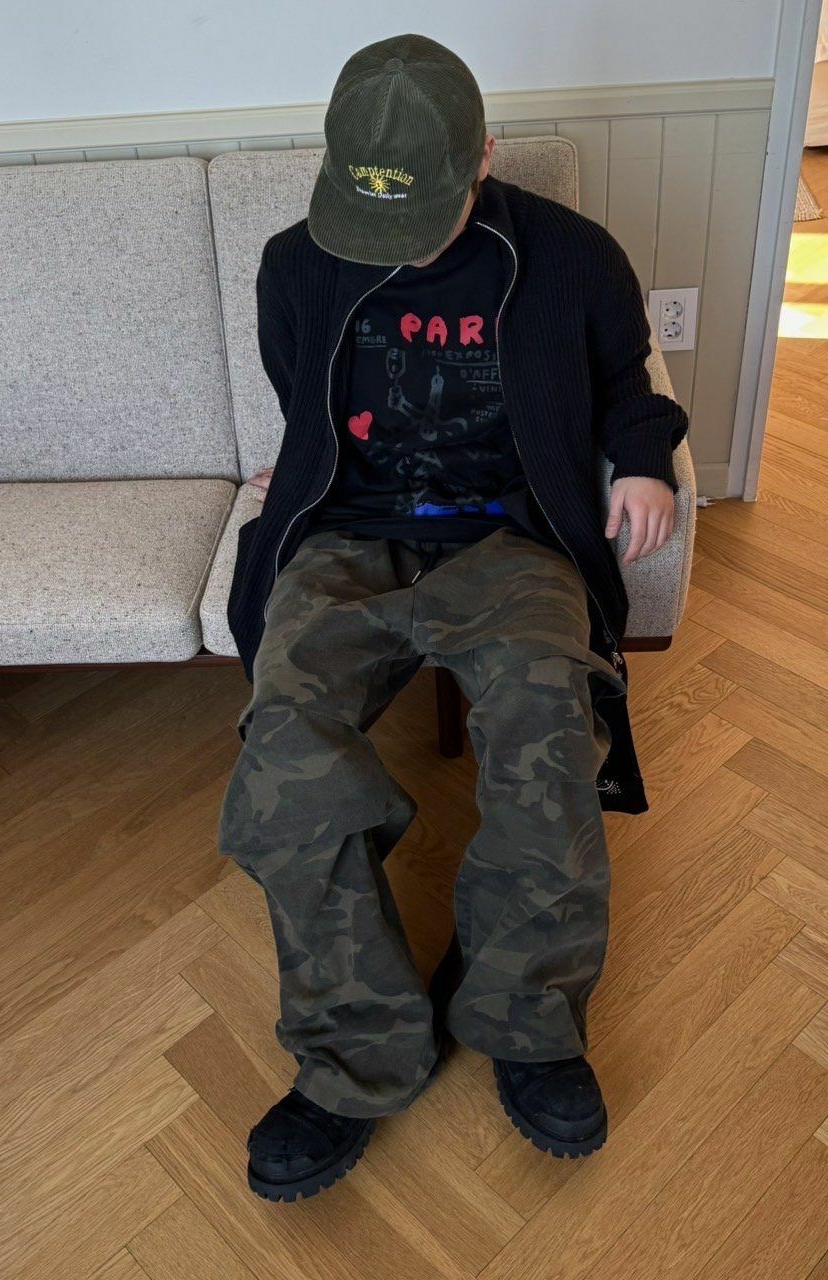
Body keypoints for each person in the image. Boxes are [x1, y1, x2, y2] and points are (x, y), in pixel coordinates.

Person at [217, 31, 689, 1202]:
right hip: (348, 537)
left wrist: (642, 460)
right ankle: (355, 1053)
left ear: (481, 155)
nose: (394, 248)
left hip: (508, 537)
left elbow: (628, 381)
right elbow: (300, 397)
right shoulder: (294, 262)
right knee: (283, 751)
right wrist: (307, 468)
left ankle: (527, 1019)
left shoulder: (572, 258)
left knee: (547, 725)